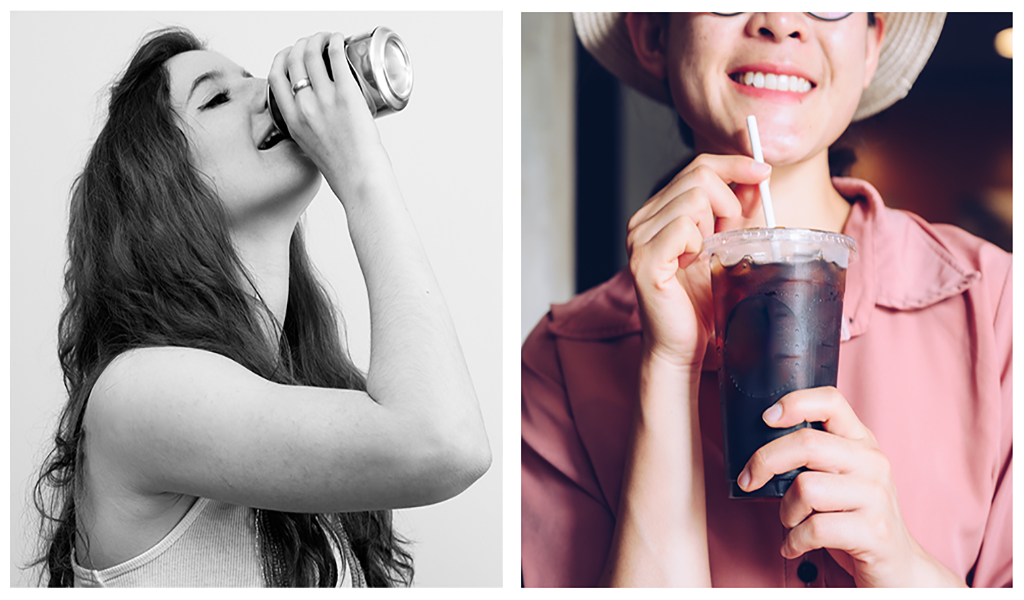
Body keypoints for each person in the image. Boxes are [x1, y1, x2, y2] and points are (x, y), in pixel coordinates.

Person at [522, 12, 1011, 588]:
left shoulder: (998, 305)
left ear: (870, 44)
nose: (781, 21)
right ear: (654, 34)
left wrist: (902, 567)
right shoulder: (560, 362)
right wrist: (670, 365)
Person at [34, 27, 491, 587]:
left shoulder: (299, 391)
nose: (271, 91)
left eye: (253, 78)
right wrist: (363, 174)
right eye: (217, 97)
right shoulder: (137, 391)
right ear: (159, 185)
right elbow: (445, 441)